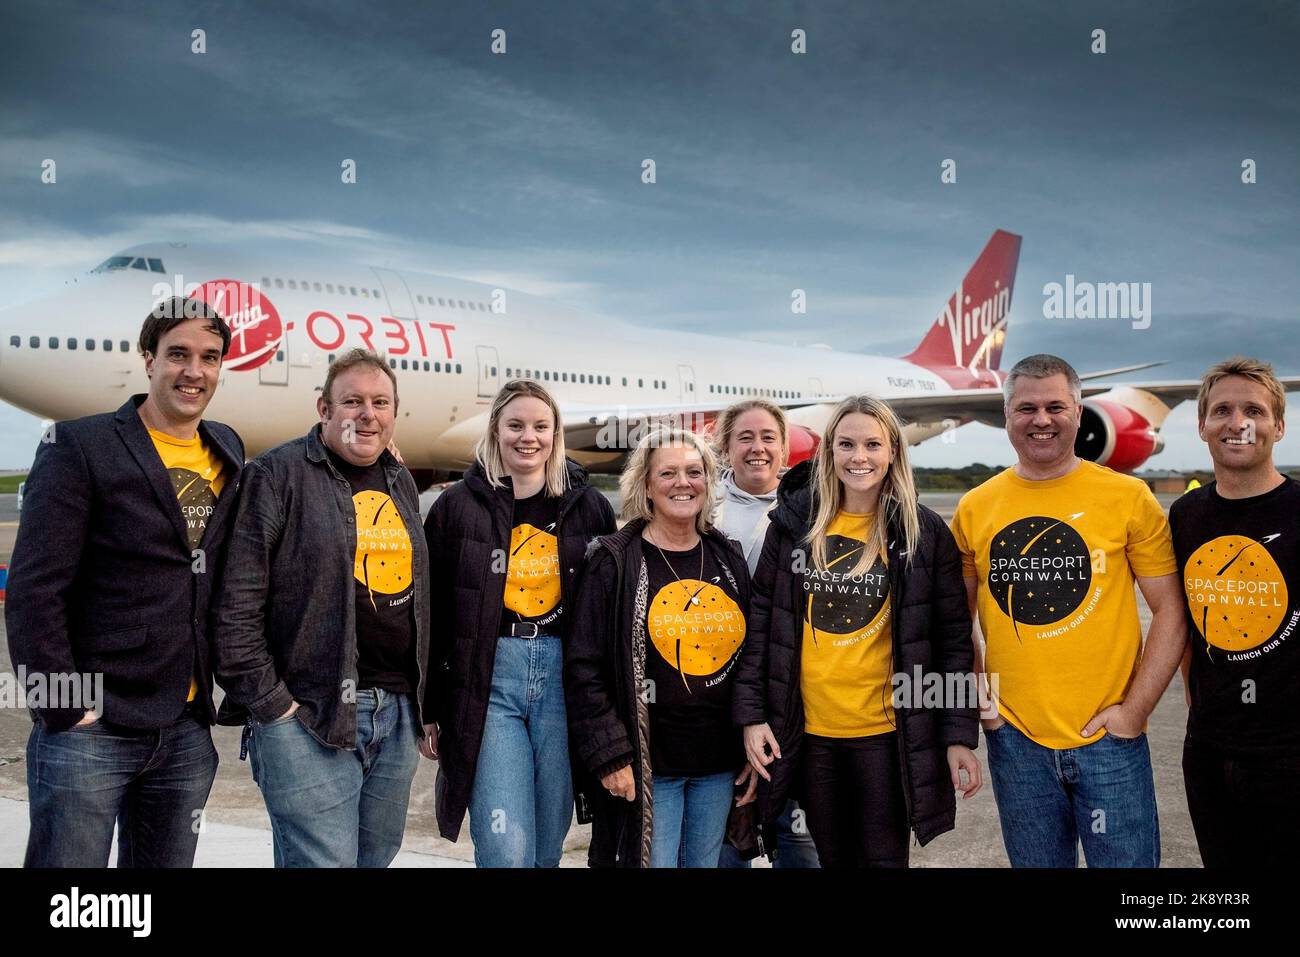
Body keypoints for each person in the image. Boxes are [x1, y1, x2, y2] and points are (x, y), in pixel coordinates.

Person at [7, 296, 243, 867]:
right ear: (148, 359)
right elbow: (35, 587)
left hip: (186, 727)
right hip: (93, 724)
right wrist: (65, 707)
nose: (194, 371)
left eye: (209, 358)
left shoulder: (227, 448)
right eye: (178, 354)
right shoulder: (79, 445)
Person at [951, 354, 1186, 867]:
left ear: (1078, 412)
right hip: (1017, 742)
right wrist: (983, 707)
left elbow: (1170, 609)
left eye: (1056, 406)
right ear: (1006, 414)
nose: (1042, 419)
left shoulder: (1127, 496)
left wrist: (1136, 711)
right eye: (1027, 408)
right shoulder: (976, 507)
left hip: (1110, 739)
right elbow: (955, 622)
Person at [733, 395, 980, 867]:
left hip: (886, 739)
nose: (859, 457)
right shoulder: (793, 525)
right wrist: (752, 716)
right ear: (829, 453)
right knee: (834, 860)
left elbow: (953, 642)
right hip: (811, 737)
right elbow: (761, 626)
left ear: (893, 453)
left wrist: (957, 736)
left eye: (872, 444)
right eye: (846, 444)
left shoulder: (922, 534)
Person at [215, 348, 430, 867]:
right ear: (324, 409)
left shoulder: (399, 478)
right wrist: (273, 710)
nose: (367, 413)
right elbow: (235, 607)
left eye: (380, 402)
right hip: (310, 714)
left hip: (395, 713)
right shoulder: (276, 474)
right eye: (351, 401)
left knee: (372, 858)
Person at [423, 379, 615, 867]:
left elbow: (606, 610)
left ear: (555, 434)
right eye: (515, 425)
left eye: (540, 426)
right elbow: (433, 611)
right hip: (489, 680)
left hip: (563, 682)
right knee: (507, 848)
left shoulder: (587, 506)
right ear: (496, 430)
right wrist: (430, 705)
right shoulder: (457, 506)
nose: (527, 437)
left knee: (546, 847)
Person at [566, 428, 757, 867]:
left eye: (694, 472)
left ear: (709, 482)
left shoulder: (727, 558)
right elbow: (584, 669)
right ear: (646, 486)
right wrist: (610, 754)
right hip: (650, 766)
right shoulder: (614, 561)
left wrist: (748, 733)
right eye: (667, 473)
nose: (682, 482)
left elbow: (749, 659)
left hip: (716, 763)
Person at [1170, 357, 1300, 866]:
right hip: (1209, 746)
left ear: (1279, 426)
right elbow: (1185, 621)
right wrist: (1201, 701)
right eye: (1222, 409)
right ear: (1202, 425)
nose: (1238, 422)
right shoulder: (1186, 514)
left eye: (1254, 410)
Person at [711, 399, 819, 868]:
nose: (758, 448)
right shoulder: (701, 507)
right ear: (726, 448)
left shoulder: (814, 512)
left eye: (769, 438)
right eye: (745, 438)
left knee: (799, 842)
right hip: (712, 701)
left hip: (790, 700)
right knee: (723, 844)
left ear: (785, 447)